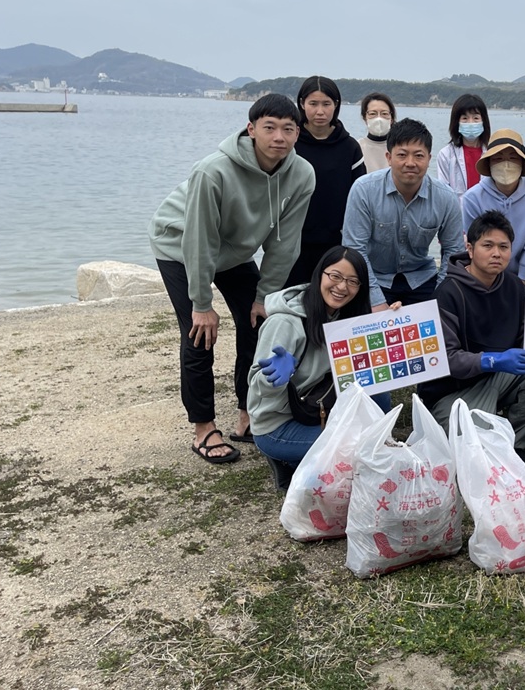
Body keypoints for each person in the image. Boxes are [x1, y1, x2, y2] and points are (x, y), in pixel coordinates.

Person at [149, 93, 315, 465]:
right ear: (251, 129)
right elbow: (199, 240)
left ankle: (248, 413)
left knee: (258, 322)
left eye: (288, 129)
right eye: (269, 128)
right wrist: (201, 303)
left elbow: (285, 242)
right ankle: (203, 428)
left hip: (234, 253)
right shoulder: (213, 171)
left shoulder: (302, 174)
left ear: (297, 133)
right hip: (179, 243)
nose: (279, 137)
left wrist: (265, 296)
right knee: (199, 332)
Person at [421, 211, 525, 468]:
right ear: (470, 249)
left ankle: (515, 443)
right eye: (488, 245)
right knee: (471, 448)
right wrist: (493, 360)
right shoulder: (447, 293)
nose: (496, 253)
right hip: (452, 391)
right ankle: (480, 435)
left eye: (503, 247)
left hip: (498, 379)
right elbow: (445, 359)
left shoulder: (516, 287)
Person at [247, 247, 376, 486]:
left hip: (316, 405)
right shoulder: (285, 322)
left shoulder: (343, 315)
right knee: (361, 450)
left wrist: (393, 323)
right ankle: (286, 459)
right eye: (335, 276)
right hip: (278, 424)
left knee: (379, 401)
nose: (342, 287)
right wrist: (274, 377)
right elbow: (257, 388)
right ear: (320, 274)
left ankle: (306, 458)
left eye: (352, 281)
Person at [342, 118, 463, 310]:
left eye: (418, 156)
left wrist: (441, 297)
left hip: (421, 277)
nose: (410, 163)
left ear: (429, 159)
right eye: (402, 155)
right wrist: (376, 300)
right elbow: (354, 248)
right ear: (389, 157)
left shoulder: (445, 197)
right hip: (374, 277)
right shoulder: (364, 190)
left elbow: (453, 251)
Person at [286, 76, 367, 286]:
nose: (320, 111)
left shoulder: (350, 147)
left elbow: (360, 197)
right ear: (302, 103)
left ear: (336, 105)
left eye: (326, 104)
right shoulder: (290, 144)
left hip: (336, 243)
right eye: (313, 104)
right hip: (293, 241)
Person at [461, 129, 525, 289]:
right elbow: (474, 243)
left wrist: (522, 282)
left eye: (513, 158)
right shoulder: (472, 198)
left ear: (522, 163)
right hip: (484, 275)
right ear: (489, 163)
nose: (506, 164)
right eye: (498, 158)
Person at [435, 93, 490, 194]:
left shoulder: (492, 153)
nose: (470, 123)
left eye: (476, 118)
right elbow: (442, 191)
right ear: (456, 122)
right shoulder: (446, 155)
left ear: (484, 121)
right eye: (465, 118)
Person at [357, 92, 396, 173]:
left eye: (384, 113)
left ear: (391, 118)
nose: (379, 118)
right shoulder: (356, 147)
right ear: (365, 118)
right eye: (372, 114)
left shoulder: (400, 147)